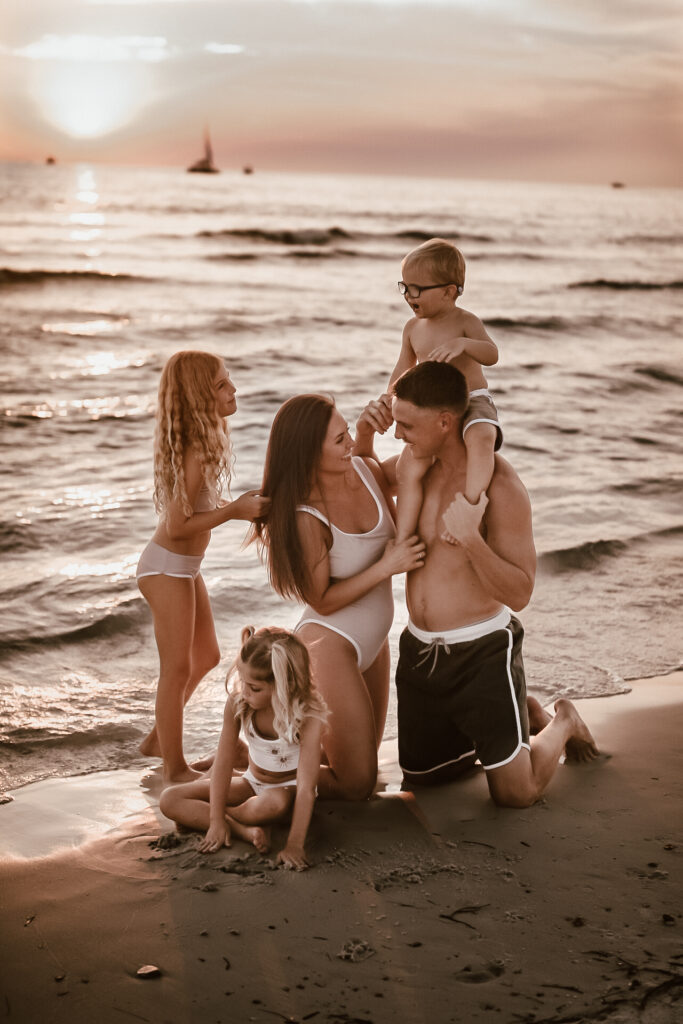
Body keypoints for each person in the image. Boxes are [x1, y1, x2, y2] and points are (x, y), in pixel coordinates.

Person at [357, 361, 599, 808]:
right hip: (421, 654)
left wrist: (471, 539)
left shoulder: (501, 486)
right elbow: (362, 484)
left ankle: (561, 719)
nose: (400, 434)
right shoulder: (416, 463)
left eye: (407, 424)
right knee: (427, 779)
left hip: (482, 653)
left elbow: (520, 592)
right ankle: (520, 714)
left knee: (515, 794)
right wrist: (365, 435)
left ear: (445, 422)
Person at [253, 394, 425, 800]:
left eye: (347, 431)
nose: (348, 443)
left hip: (372, 641)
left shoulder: (365, 468)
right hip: (328, 644)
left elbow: (412, 463)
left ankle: (268, 759)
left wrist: (369, 429)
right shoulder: (305, 515)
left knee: (359, 761)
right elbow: (323, 600)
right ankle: (262, 776)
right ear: (310, 454)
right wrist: (387, 567)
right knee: (357, 783)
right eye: (338, 439)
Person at [136, 351, 270, 785]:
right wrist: (234, 511)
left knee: (208, 655)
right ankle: (174, 768)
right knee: (175, 668)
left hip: (183, 568)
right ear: (199, 398)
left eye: (230, 382)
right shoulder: (194, 451)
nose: (233, 390)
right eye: (222, 386)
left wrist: (245, 506)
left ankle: (159, 740)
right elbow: (177, 526)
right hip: (166, 568)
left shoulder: (204, 444)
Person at [159, 626, 327, 870]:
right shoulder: (239, 703)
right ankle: (243, 830)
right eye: (242, 680)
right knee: (170, 799)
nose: (244, 692)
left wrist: (295, 844)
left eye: (255, 688)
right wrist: (215, 820)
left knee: (272, 805)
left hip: (286, 791)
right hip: (250, 781)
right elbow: (224, 764)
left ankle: (203, 816)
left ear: (284, 686)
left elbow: (306, 788)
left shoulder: (307, 716)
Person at [389, 237, 501, 543]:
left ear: (449, 291)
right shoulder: (412, 328)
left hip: (471, 399)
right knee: (408, 468)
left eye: (417, 289)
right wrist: (390, 400)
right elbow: (403, 368)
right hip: (433, 407)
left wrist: (464, 344)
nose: (409, 296)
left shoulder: (465, 321)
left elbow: (492, 355)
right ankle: (403, 536)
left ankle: (471, 508)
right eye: (405, 287)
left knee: (481, 438)